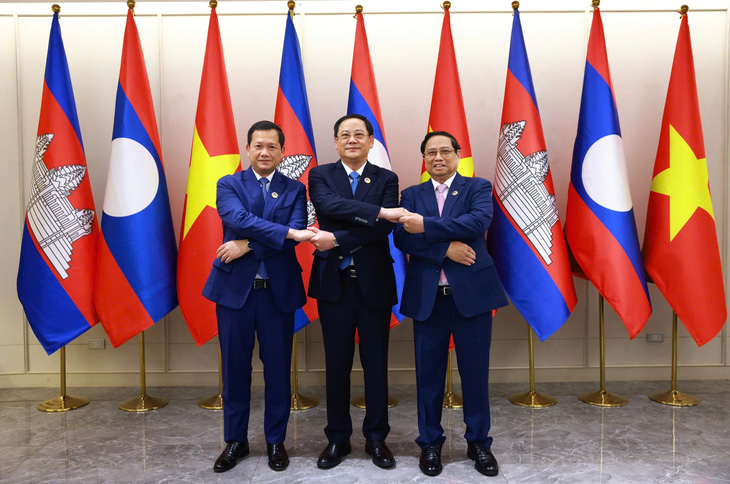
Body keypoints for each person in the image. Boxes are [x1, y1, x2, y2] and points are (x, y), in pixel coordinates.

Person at [394, 131, 508, 478]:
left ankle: (479, 443)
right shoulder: (411, 194)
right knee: (427, 377)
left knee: (475, 374)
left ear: (458, 155)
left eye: (445, 151)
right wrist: (445, 248)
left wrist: (425, 226)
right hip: (429, 299)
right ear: (424, 160)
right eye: (431, 153)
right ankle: (430, 443)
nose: (438, 157)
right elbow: (401, 236)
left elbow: (477, 222)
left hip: (470, 298)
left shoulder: (477, 188)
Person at [202, 120, 313, 473]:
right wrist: (282, 234)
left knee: (277, 370)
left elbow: (294, 235)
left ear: (282, 151)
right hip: (235, 292)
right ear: (247, 149)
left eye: (272, 146)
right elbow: (236, 217)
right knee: (235, 369)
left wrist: (246, 243)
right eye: (258, 146)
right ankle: (235, 440)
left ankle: (276, 440)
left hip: (276, 294)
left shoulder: (296, 189)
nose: (265, 152)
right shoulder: (229, 183)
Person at [306, 114, 405, 469]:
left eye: (358, 134)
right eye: (344, 135)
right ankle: (338, 439)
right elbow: (328, 207)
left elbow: (383, 231)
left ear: (370, 141)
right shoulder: (320, 176)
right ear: (335, 142)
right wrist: (377, 211)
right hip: (334, 284)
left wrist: (339, 237)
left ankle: (377, 438)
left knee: (376, 365)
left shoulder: (387, 178)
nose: (351, 140)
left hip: (374, 284)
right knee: (337, 365)